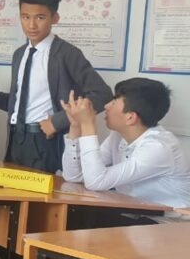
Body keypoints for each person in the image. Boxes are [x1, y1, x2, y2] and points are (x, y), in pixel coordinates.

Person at [0, 0, 112, 173]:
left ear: (55, 18)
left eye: (40, 17)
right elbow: (21, 104)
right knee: (11, 190)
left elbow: (102, 94)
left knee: (44, 192)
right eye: (25, 17)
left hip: (46, 142)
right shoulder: (19, 54)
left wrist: (58, 121)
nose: (31, 25)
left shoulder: (66, 54)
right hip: (15, 139)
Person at [62, 79, 190, 216]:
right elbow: (74, 176)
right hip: (133, 214)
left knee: (77, 219)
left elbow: (96, 181)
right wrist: (76, 126)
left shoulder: (158, 148)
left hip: (168, 222)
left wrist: (88, 125)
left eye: (114, 101)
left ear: (130, 117)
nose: (106, 106)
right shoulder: (118, 136)